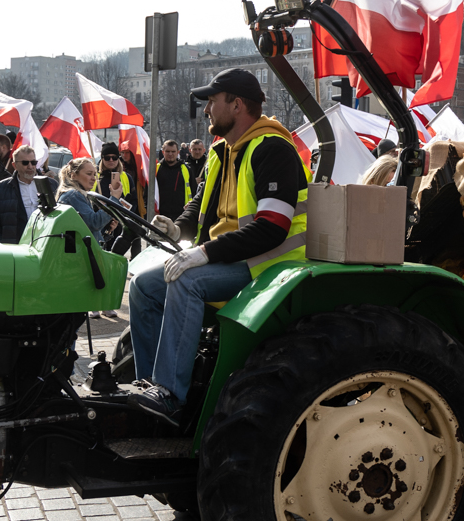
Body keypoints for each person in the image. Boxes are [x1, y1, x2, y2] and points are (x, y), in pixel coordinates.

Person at [127, 69, 308, 426]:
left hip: (268, 264)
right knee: (143, 286)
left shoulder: (274, 149)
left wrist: (204, 253)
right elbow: (201, 204)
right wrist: (177, 227)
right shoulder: (221, 151)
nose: (207, 110)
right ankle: (148, 387)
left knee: (186, 281)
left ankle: (170, 395)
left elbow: (272, 228)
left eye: (212, 101)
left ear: (237, 105)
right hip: (231, 257)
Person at [58, 156, 121, 319]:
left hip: (84, 252)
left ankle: (100, 306)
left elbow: (89, 229)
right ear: (73, 175)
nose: (93, 178)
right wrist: (114, 200)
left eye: (95, 174)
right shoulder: (73, 195)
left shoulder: (79, 194)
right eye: (89, 174)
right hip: (81, 256)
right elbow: (94, 222)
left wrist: (108, 230)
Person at [0, 144, 47, 244]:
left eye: (33, 162)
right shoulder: (1, 188)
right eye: (25, 163)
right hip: (14, 244)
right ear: (15, 165)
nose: (30, 166)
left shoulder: (50, 185)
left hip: (44, 241)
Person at [98, 142, 140, 256]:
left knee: (116, 257)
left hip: (121, 225)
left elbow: (134, 202)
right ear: (102, 159)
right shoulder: (95, 177)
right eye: (107, 158)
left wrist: (122, 217)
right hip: (101, 225)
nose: (111, 160)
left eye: (114, 157)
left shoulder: (126, 177)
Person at [155, 139, 192, 218]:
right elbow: (148, 193)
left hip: (182, 215)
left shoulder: (186, 169)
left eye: (173, 151)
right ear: (163, 152)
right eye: (167, 151)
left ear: (178, 152)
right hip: (160, 215)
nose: (170, 154)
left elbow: (194, 191)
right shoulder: (156, 169)